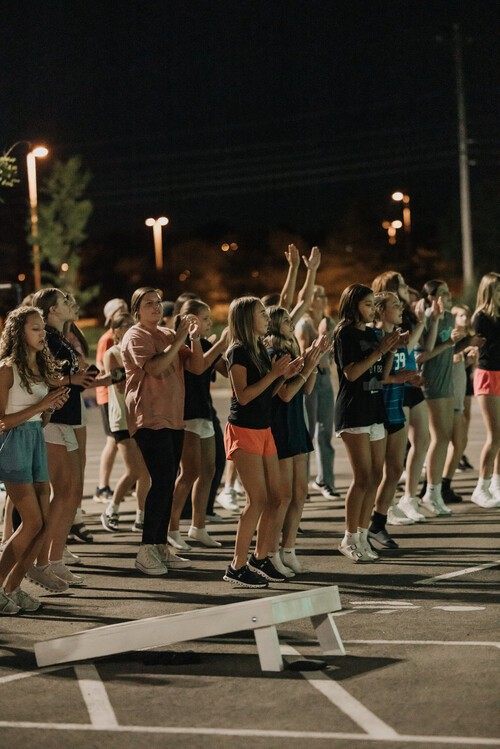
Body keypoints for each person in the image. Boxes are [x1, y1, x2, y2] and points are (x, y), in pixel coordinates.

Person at [121, 287, 205, 575]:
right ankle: (146, 549)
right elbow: (155, 368)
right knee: (162, 479)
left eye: (158, 302)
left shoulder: (168, 335)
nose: (156, 307)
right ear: (136, 310)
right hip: (149, 417)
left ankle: (159, 545)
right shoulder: (135, 336)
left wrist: (194, 338)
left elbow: (197, 367)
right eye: (149, 303)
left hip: (173, 417)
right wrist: (180, 337)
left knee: (167, 482)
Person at [223, 296, 302, 588]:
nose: (266, 318)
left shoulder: (258, 348)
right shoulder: (237, 351)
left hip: (264, 428)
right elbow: (243, 396)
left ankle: (260, 558)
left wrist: (283, 377)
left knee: (277, 496)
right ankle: (237, 565)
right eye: (261, 314)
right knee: (256, 499)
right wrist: (274, 374)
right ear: (246, 319)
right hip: (243, 429)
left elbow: (266, 392)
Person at [28, 289, 98, 592]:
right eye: (65, 301)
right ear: (53, 310)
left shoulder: (61, 338)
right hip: (52, 420)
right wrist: (71, 379)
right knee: (62, 491)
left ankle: (55, 559)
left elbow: (69, 375)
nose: (72, 303)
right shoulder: (46, 339)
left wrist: (86, 377)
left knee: (70, 492)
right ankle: (41, 561)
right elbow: (41, 376)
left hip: (67, 418)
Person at [0, 305, 68, 613]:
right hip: (13, 444)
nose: (42, 334)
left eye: (42, 328)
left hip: (35, 440)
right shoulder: (7, 369)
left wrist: (50, 407)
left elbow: (38, 420)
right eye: (35, 328)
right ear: (19, 332)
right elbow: (3, 421)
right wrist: (42, 404)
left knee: (44, 524)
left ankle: (12, 588)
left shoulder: (39, 367)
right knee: (32, 521)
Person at [333, 284, 404, 562]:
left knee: (375, 476)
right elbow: (351, 373)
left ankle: (363, 536)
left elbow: (381, 375)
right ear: (353, 305)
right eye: (367, 304)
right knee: (362, 477)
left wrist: (390, 349)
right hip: (354, 411)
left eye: (374, 304)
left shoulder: (372, 333)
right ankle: (349, 537)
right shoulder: (344, 333)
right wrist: (379, 350)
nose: (373, 309)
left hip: (375, 409)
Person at [264, 305, 326, 575]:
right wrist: (306, 367)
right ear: (274, 325)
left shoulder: (292, 349)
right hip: (279, 425)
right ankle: (270, 552)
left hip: (296, 424)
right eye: (286, 320)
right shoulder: (272, 353)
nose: (291, 323)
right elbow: (286, 394)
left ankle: (289, 549)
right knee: (283, 496)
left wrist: (313, 362)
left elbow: (307, 389)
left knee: (300, 492)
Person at [167, 299, 229, 550]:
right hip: (186, 413)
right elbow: (197, 366)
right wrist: (220, 344)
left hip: (204, 411)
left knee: (209, 470)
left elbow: (226, 370)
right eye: (205, 319)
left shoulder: (205, 344)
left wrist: (229, 347)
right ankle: (171, 528)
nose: (209, 323)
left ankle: (198, 527)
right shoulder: (179, 343)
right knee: (189, 472)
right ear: (190, 320)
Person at [371, 272, 428, 523]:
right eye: (402, 286)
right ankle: (383, 509)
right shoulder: (378, 333)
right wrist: (395, 378)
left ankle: (406, 500)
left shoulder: (403, 321)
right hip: (391, 394)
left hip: (405, 385)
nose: (407, 289)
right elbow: (373, 375)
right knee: (386, 463)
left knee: (420, 442)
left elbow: (406, 353)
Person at [416, 280, 471, 517]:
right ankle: (429, 492)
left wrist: (463, 346)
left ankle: (435, 491)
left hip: (448, 381)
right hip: (432, 383)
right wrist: (449, 343)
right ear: (430, 297)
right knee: (438, 438)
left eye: (449, 292)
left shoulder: (449, 317)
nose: (448, 296)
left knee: (444, 437)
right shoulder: (428, 318)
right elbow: (421, 356)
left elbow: (446, 350)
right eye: (442, 293)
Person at [101, 313, 150, 532]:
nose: (131, 327)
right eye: (126, 325)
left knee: (145, 471)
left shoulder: (139, 349)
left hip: (140, 416)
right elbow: (120, 385)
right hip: (121, 417)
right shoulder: (112, 353)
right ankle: (111, 509)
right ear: (116, 330)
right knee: (134, 470)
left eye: (133, 324)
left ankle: (141, 516)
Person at [296, 283, 339, 499]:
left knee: (325, 432)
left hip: (325, 378)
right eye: (318, 296)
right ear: (309, 301)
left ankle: (325, 481)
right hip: (309, 379)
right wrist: (320, 337)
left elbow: (332, 353)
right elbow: (302, 355)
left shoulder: (329, 321)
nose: (323, 299)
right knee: (308, 432)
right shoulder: (304, 324)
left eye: (324, 295)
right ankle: (301, 484)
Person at [94, 297, 128, 502]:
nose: (124, 311)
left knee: (122, 441)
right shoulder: (107, 339)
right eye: (119, 310)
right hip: (109, 394)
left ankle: (130, 480)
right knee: (113, 441)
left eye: (125, 308)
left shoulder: (128, 336)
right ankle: (102, 486)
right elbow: (101, 365)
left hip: (119, 394)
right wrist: (114, 376)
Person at [470, 272, 500, 508]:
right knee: (495, 435)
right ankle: (481, 487)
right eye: (498, 289)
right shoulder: (482, 317)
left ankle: (496, 484)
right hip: (489, 375)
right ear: (489, 291)